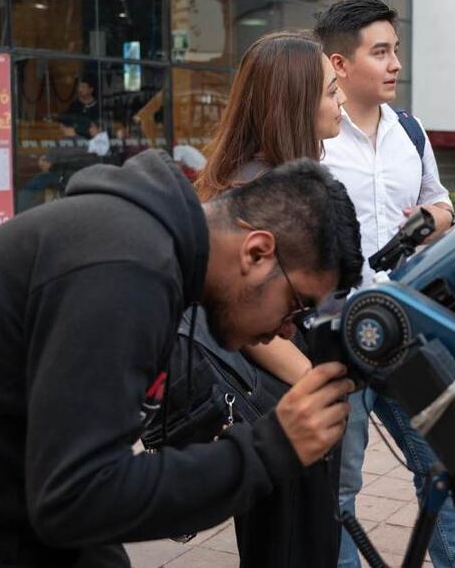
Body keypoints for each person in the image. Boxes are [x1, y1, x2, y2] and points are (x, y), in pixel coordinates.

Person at [0, 151, 362, 567]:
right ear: (256, 253)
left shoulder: (150, 254)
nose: (289, 330)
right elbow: (76, 497)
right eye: (296, 305)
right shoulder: (126, 269)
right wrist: (268, 448)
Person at [314, 0, 455, 568]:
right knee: (339, 490)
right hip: (339, 341)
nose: (395, 63)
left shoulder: (410, 128)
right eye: (380, 52)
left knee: (443, 470)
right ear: (338, 63)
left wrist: (431, 221)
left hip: (409, 331)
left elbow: (442, 204)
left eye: (395, 50)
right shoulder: (316, 137)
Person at [186, 30, 349, 567]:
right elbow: (245, 324)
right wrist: (316, 382)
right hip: (281, 403)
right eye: (329, 90)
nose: (340, 99)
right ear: (295, 101)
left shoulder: (274, 182)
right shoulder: (252, 195)